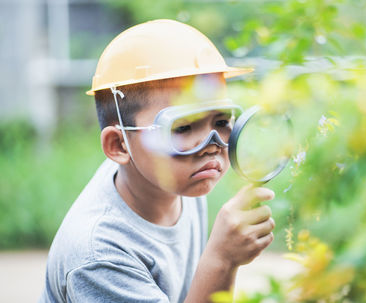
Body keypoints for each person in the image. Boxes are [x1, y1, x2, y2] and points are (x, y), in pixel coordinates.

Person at [39, 19, 275, 303]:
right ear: (118, 145)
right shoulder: (99, 255)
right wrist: (222, 260)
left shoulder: (169, 176)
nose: (211, 146)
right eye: (182, 128)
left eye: (222, 121)